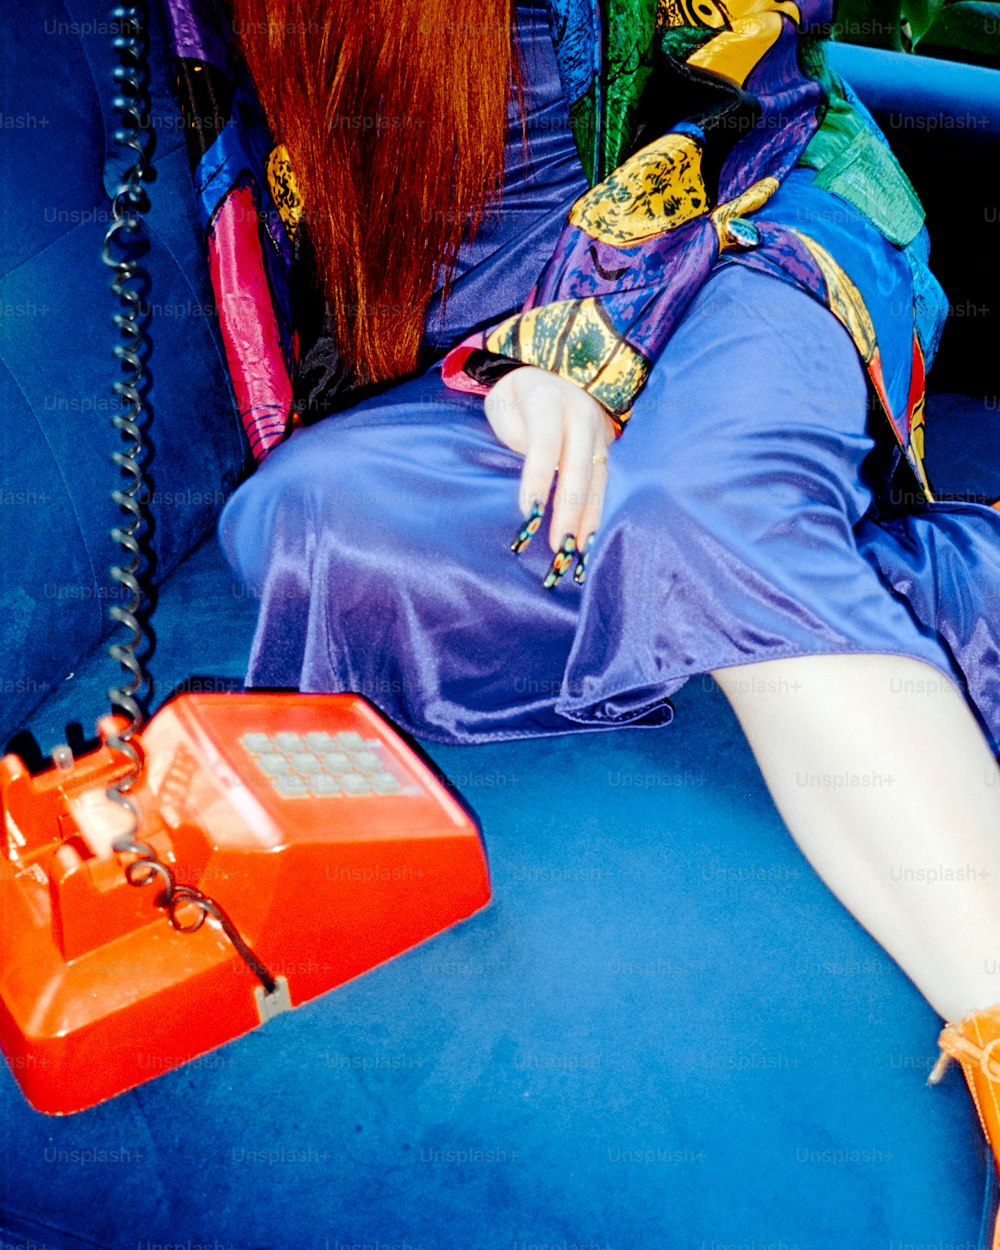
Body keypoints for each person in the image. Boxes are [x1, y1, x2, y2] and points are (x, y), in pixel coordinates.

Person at [195, 0, 1000, 1230]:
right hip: (482, 336)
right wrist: (500, 366)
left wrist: (573, 351)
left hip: (746, 218)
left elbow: (744, 71)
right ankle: (932, 589)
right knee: (303, 519)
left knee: (702, 510)